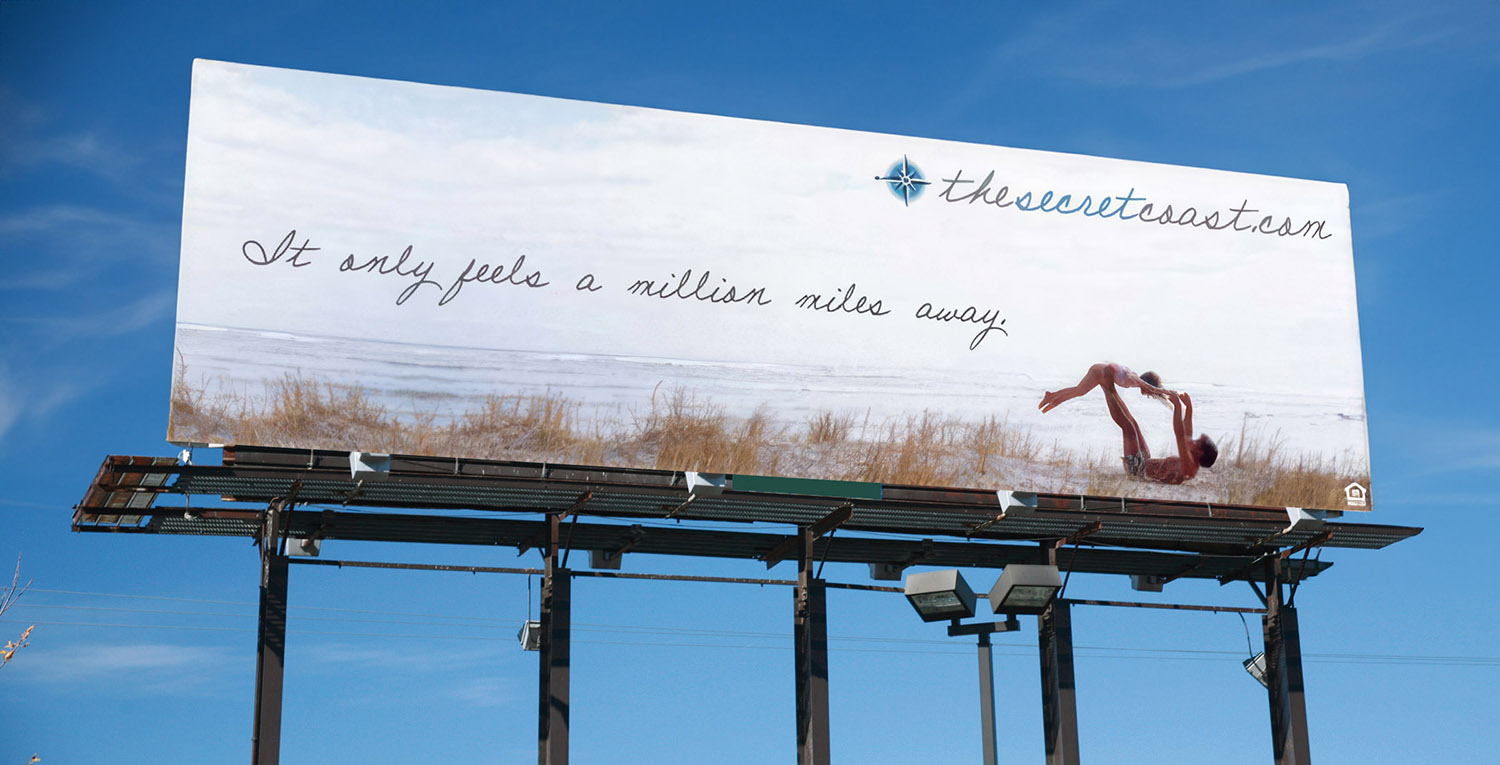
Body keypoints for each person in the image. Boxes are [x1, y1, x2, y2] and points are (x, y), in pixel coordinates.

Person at [1039, 362, 1217, 484]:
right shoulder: (1191, 461)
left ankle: (1105, 384)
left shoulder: (1188, 466)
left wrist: (1178, 406)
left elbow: (1179, 434)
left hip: (1137, 470)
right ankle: (1105, 384)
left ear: (1200, 452)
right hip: (1145, 460)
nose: (1192, 441)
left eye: (1196, 443)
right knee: (1134, 424)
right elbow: (1186, 433)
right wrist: (1190, 409)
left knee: (1129, 428)